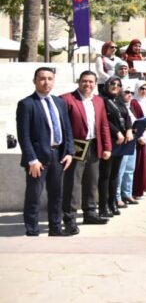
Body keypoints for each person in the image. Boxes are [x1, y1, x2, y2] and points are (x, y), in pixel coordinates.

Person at [17, 67, 74, 237]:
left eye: (50, 78)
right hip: (37, 159)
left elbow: (67, 129)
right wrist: (32, 160)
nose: (46, 82)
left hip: (58, 156)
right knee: (34, 196)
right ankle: (32, 230)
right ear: (34, 81)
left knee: (57, 195)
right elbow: (24, 136)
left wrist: (69, 152)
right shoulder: (26, 104)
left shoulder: (59, 102)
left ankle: (55, 228)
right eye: (42, 78)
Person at [61, 71, 112, 230]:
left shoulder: (98, 101)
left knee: (92, 181)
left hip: (94, 144)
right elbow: (63, 126)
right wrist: (68, 148)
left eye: (91, 82)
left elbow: (104, 125)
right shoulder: (66, 99)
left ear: (95, 84)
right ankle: (69, 217)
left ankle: (90, 213)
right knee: (73, 183)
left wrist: (107, 147)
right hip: (76, 145)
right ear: (79, 82)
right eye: (84, 81)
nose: (87, 84)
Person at [100, 76, 133, 218]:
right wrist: (117, 132)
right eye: (112, 84)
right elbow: (104, 120)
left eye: (118, 85)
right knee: (105, 175)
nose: (115, 86)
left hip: (121, 141)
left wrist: (129, 129)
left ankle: (112, 202)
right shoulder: (102, 100)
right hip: (110, 140)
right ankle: (103, 206)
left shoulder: (119, 100)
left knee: (115, 174)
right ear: (107, 85)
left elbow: (127, 117)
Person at [129, 80, 146, 199]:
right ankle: (137, 190)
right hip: (141, 136)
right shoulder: (134, 102)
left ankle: (144, 188)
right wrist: (139, 135)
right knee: (140, 164)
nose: (144, 91)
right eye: (141, 88)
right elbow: (134, 121)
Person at [115, 86, 137, 209]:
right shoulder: (117, 105)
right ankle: (117, 196)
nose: (130, 95)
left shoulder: (131, 107)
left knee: (129, 169)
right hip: (122, 141)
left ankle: (127, 193)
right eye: (127, 92)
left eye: (132, 92)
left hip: (132, 140)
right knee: (120, 170)